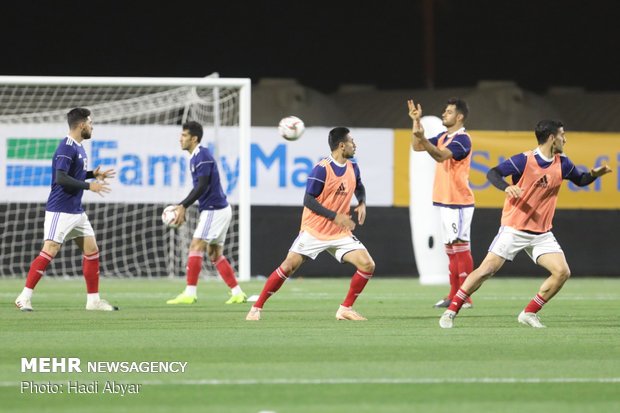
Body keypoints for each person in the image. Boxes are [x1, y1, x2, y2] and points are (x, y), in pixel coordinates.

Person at [439, 119, 612, 328]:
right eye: (562, 134)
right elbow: (493, 173)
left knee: (562, 272)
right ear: (551, 137)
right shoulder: (524, 160)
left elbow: (581, 179)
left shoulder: (563, 163)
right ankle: (451, 311)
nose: (564, 139)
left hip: (542, 233)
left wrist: (594, 174)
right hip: (514, 228)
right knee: (486, 270)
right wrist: (506, 187)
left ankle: (529, 313)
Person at [246, 127, 375, 321]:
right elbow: (308, 200)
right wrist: (335, 216)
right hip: (314, 230)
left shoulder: (352, 166)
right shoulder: (322, 169)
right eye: (351, 141)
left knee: (367, 265)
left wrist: (362, 202)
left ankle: (345, 309)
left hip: (340, 232)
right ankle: (256, 308)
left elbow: (359, 185)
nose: (354, 144)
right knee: (289, 266)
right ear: (341, 145)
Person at [14, 107, 118, 312]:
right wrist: (90, 185)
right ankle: (23, 297)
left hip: (76, 211)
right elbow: (60, 178)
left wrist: (91, 174)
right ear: (81, 125)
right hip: (60, 210)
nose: (92, 126)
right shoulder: (66, 147)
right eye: (90, 122)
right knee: (50, 249)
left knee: (92, 250)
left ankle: (93, 301)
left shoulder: (80, 147)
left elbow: (72, 175)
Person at [166, 121, 247, 305]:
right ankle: (237, 292)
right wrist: (183, 205)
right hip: (219, 209)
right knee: (215, 254)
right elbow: (200, 187)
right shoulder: (196, 156)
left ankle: (189, 293)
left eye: (184, 135)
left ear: (194, 138)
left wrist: (183, 205)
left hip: (214, 210)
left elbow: (202, 186)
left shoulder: (202, 156)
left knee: (195, 246)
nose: (180, 138)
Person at [408, 98, 475, 308]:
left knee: (460, 247)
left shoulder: (462, 139)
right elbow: (417, 146)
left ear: (459, 116)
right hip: (445, 200)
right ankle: (454, 294)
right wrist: (416, 123)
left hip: (458, 201)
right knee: (450, 248)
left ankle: (465, 296)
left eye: (448, 111)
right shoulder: (445, 137)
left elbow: (439, 156)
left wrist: (425, 140)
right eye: (444, 111)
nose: (444, 114)